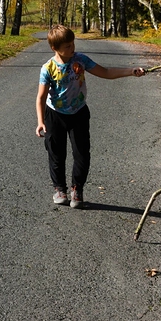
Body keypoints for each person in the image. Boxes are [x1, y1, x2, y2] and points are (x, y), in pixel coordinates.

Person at [35, 24, 146, 208]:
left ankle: (77, 189)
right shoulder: (48, 68)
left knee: (82, 154)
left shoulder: (81, 60)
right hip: (55, 115)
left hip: (78, 113)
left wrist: (130, 71)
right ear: (55, 48)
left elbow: (107, 72)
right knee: (56, 153)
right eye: (67, 47)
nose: (72, 49)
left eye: (73, 44)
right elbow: (41, 97)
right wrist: (40, 121)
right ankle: (59, 189)